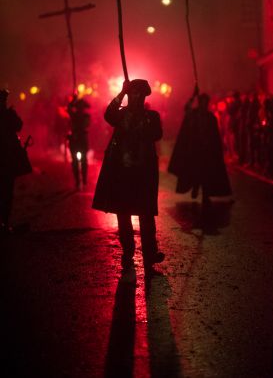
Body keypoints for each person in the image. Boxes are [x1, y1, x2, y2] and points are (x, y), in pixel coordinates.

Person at [92, 79, 164, 276]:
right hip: (122, 172)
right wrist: (121, 92)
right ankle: (128, 252)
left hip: (142, 172)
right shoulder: (121, 114)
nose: (135, 97)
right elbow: (108, 114)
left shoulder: (152, 116)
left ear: (144, 96)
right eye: (132, 93)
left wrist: (143, 125)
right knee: (123, 214)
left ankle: (150, 254)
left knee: (146, 214)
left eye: (139, 94)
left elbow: (157, 134)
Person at [168, 89, 232, 207]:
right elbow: (186, 108)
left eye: (205, 103)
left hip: (207, 150)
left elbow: (215, 135)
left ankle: (206, 195)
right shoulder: (194, 115)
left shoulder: (210, 117)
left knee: (206, 173)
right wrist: (192, 97)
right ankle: (196, 186)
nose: (204, 105)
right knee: (196, 171)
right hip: (195, 149)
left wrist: (218, 149)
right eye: (202, 102)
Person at [0, 89, 24, 233]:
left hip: (7, 159)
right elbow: (19, 125)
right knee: (7, 193)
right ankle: (4, 222)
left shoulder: (9, 114)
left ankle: (4, 222)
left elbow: (19, 126)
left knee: (7, 193)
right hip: (6, 159)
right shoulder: (8, 114)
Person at [67, 94, 91, 188]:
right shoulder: (73, 115)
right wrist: (73, 100)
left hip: (81, 139)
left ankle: (84, 179)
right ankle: (78, 180)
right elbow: (69, 108)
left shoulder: (85, 116)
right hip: (75, 139)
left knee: (84, 160)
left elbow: (86, 125)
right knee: (75, 161)